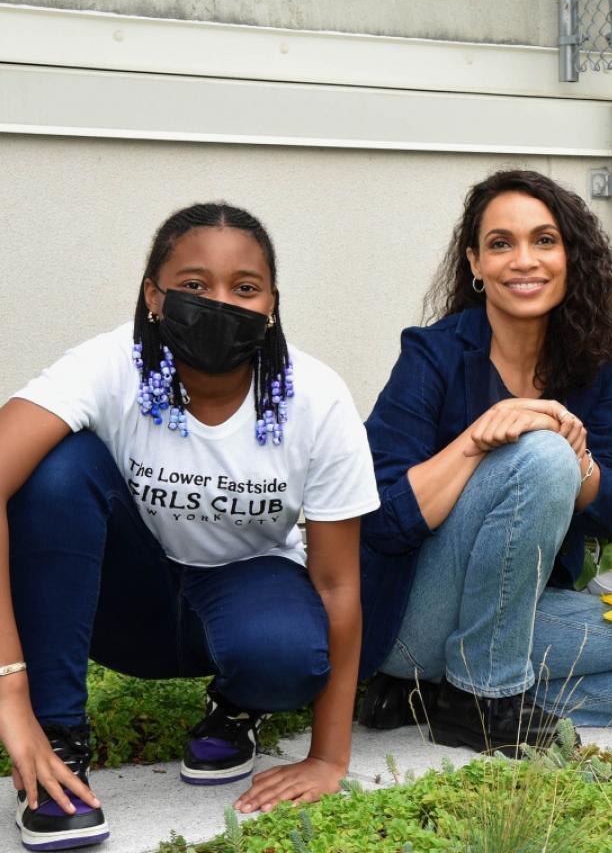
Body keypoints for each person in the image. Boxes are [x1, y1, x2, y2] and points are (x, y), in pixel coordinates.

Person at [0, 203, 379, 852]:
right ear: (154, 295)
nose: (220, 303)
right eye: (195, 285)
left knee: (285, 650)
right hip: (124, 600)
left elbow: (338, 583)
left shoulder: (316, 398)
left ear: (271, 304)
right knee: (56, 469)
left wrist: (329, 758)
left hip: (243, 593)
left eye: (245, 287)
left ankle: (235, 708)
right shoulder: (108, 365)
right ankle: (57, 749)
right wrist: (10, 688)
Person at [358, 170, 612, 752]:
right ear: (475, 263)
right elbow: (383, 518)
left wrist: (580, 459)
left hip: (515, 615)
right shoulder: (433, 354)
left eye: (544, 241)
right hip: (417, 620)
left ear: (570, 256)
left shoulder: (594, 366)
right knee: (538, 450)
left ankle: (451, 696)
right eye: (500, 244)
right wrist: (475, 442)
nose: (524, 261)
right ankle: (479, 698)